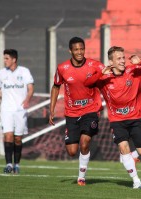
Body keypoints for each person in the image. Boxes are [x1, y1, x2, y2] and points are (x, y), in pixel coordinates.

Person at [84, 46, 141, 189]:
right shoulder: (104, 78)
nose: (123, 61)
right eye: (119, 58)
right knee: (123, 148)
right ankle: (136, 181)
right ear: (111, 61)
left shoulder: (134, 70)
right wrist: (99, 73)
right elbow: (87, 84)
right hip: (117, 120)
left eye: (123, 57)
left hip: (136, 118)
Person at [49, 37, 104, 186]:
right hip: (72, 113)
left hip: (91, 110)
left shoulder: (95, 65)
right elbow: (55, 87)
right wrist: (51, 109)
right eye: (76, 49)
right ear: (70, 51)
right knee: (72, 151)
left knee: (85, 142)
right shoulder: (62, 68)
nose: (79, 52)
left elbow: (107, 77)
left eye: (82, 49)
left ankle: (81, 177)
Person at [0, 49, 34, 174]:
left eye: (6, 58)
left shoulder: (24, 71)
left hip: (20, 110)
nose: (4, 61)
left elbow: (31, 89)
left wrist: (27, 100)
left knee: (18, 138)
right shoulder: (1, 73)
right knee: (8, 135)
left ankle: (17, 164)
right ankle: (8, 164)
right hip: (6, 109)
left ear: (14, 59)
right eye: (4, 58)